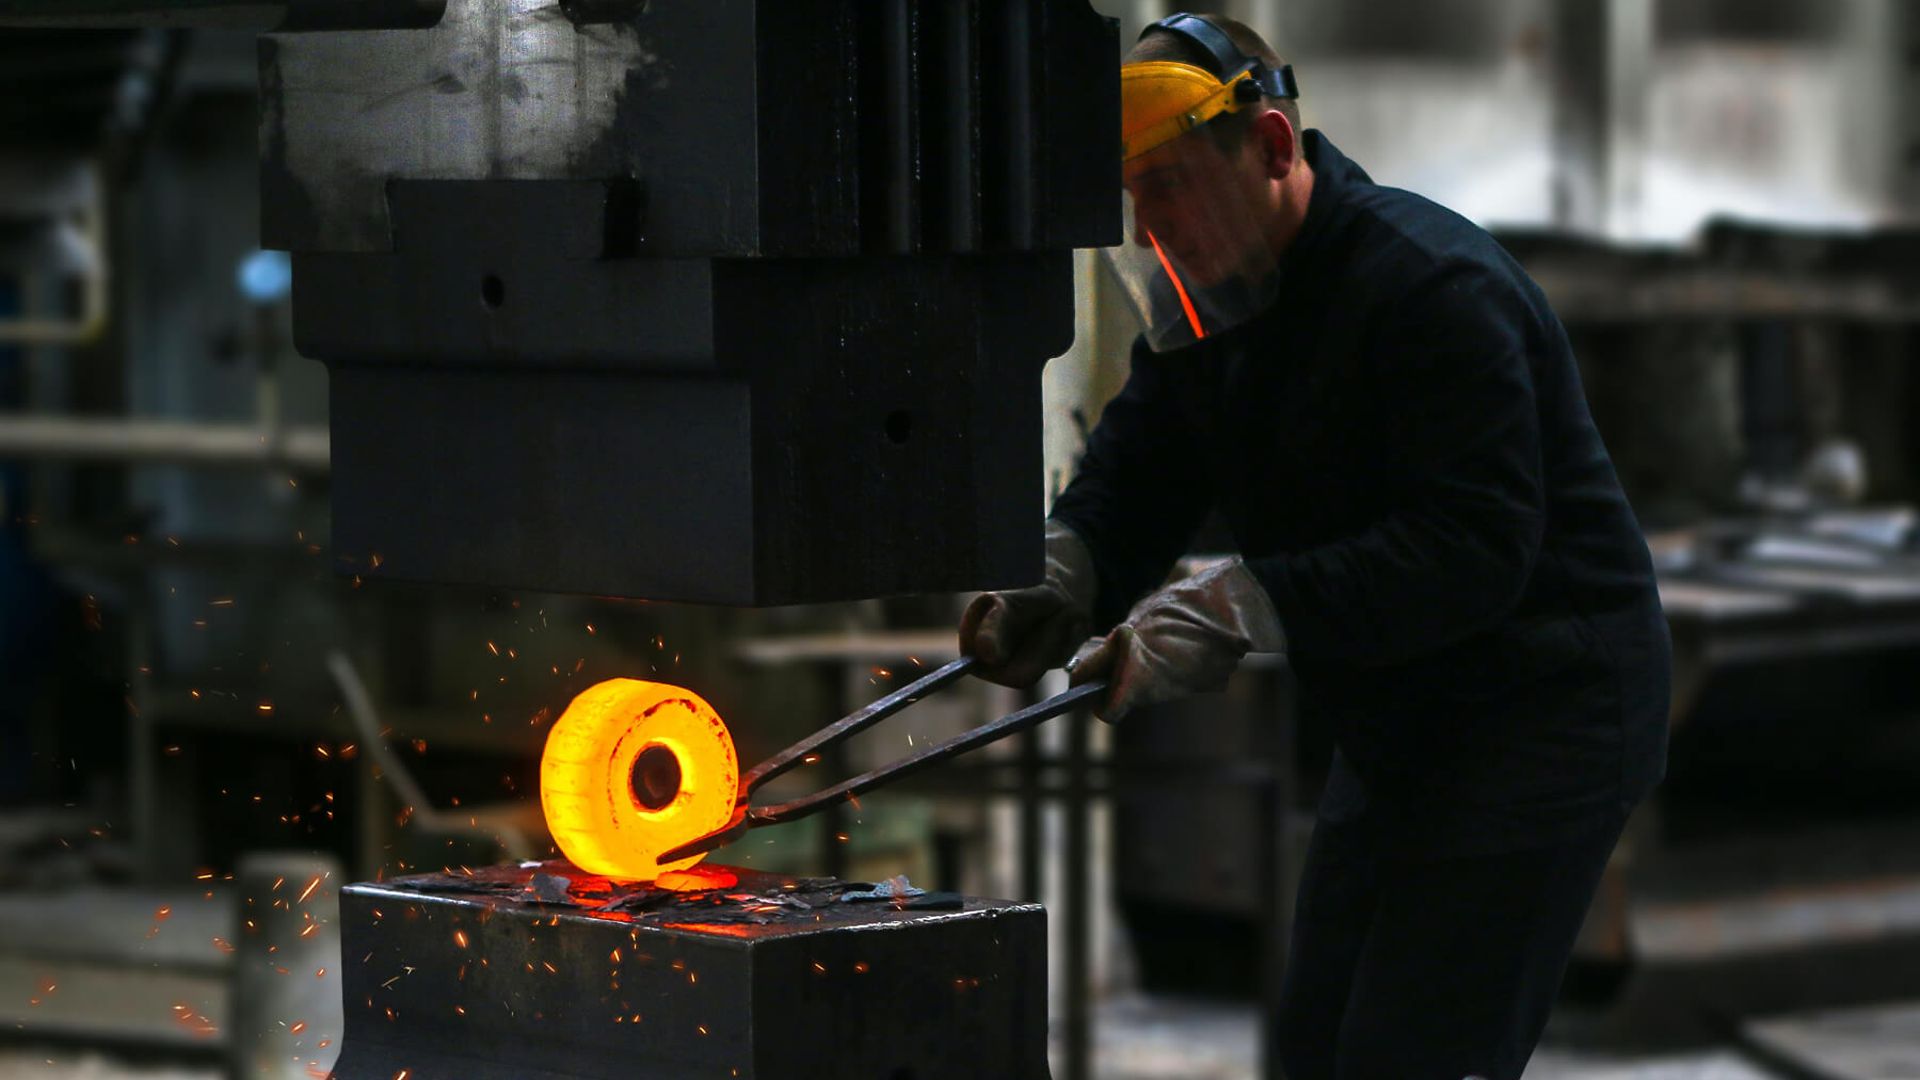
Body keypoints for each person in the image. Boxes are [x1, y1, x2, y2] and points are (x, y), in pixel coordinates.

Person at [957, 13, 1671, 1079]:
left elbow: (1472, 549)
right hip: (1403, 718)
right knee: (1315, 1048)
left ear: (1273, 146)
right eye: (1134, 199)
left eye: (1171, 186)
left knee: (1413, 1055)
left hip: (1543, 711)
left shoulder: (1431, 288)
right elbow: (1142, 468)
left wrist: (1238, 605)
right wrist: (1066, 571)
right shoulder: (1212, 305)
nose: (1153, 228)